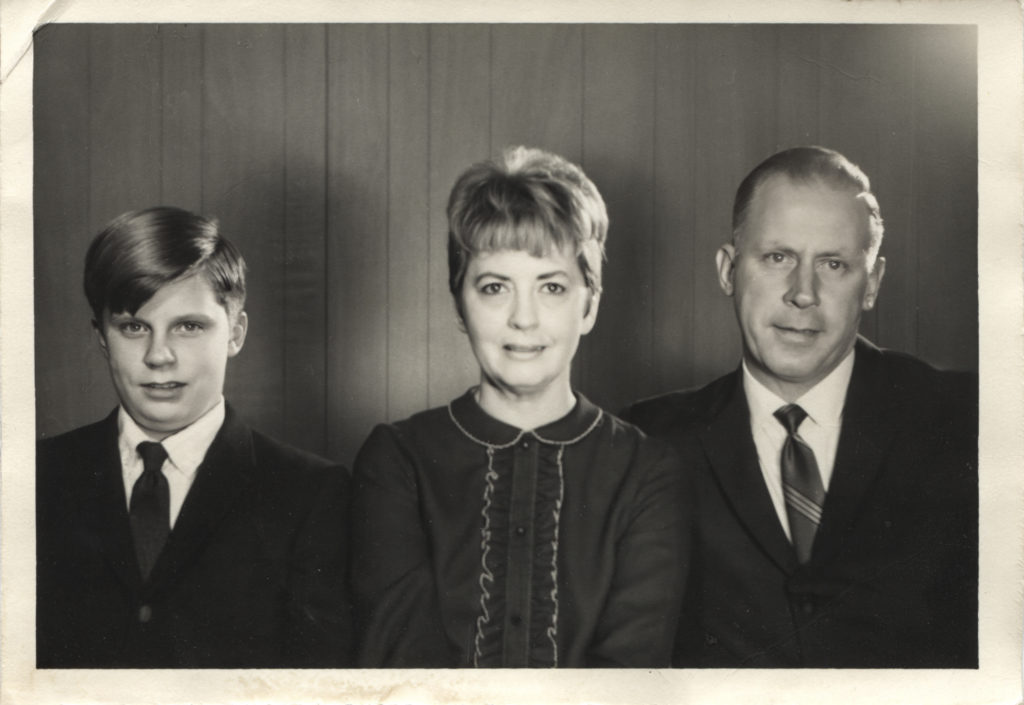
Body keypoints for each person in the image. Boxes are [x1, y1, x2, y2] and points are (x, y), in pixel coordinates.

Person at [624, 146, 977, 668]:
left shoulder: (969, 422)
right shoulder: (642, 442)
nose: (802, 293)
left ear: (872, 283)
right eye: (777, 258)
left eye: (833, 264)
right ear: (728, 270)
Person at [350, 146, 690, 668]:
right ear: (460, 304)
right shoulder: (398, 460)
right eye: (494, 288)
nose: (523, 319)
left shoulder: (646, 472)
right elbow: (403, 666)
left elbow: (629, 675)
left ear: (590, 304)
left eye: (552, 287)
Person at [36, 207, 352, 668]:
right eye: (133, 327)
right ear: (102, 338)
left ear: (235, 333)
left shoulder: (309, 493)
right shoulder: (36, 475)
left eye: (189, 326)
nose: (158, 355)